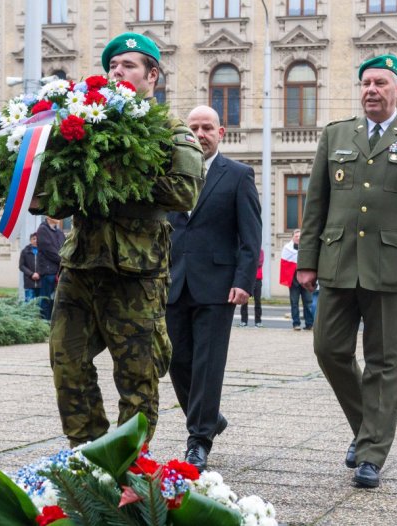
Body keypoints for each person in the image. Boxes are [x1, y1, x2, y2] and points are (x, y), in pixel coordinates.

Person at [44, 32, 205, 447]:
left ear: (153, 75)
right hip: (81, 265)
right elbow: (57, 200)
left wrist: (116, 177)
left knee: (138, 375)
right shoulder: (81, 124)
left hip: (138, 272)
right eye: (112, 66)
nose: (117, 72)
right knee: (66, 362)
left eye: (128, 65)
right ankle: (87, 454)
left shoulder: (172, 130)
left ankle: (128, 462)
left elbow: (184, 193)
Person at [297, 54, 397, 488]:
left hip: (389, 266)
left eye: (381, 82)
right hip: (338, 261)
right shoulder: (336, 134)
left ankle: (371, 456)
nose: (371, 90)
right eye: (366, 83)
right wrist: (307, 260)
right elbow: (316, 204)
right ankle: (369, 429)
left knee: (385, 360)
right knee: (328, 349)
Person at [166, 105, 261, 470]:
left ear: (221, 133)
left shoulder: (237, 175)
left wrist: (244, 281)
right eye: (194, 128)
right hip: (173, 283)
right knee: (176, 360)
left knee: (208, 364)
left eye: (208, 127)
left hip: (218, 286)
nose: (201, 133)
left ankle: (199, 439)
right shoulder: (171, 174)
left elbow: (250, 235)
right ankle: (210, 417)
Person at [283, 230, 313, 331]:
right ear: (292, 237)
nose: (298, 238)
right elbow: (284, 265)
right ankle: (296, 324)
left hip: (305, 281)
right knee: (294, 303)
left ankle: (309, 324)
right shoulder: (287, 249)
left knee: (308, 303)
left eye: (300, 236)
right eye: (296, 236)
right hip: (293, 282)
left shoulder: (307, 248)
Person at [37, 217, 65, 320]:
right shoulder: (42, 230)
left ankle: (53, 323)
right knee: (46, 299)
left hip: (59, 271)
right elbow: (49, 251)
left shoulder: (59, 232)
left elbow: (65, 247)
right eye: (55, 214)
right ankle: (44, 323)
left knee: (56, 300)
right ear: (48, 216)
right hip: (48, 272)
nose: (59, 217)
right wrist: (64, 260)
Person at [240, 249, 264, 327]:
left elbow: (259, 263)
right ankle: (243, 321)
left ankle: (258, 321)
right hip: (247, 278)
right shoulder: (245, 250)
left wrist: (248, 263)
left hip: (257, 279)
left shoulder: (260, 251)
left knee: (257, 301)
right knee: (244, 301)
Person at [19, 232, 40, 303]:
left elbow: (46, 265)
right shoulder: (25, 251)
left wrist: (39, 273)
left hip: (41, 283)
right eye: (34, 239)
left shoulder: (44, 251)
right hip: (29, 282)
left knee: (40, 305)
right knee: (28, 304)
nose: (36, 240)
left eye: (37, 239)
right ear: (30, 240)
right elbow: (21, 266)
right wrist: (31, 274)